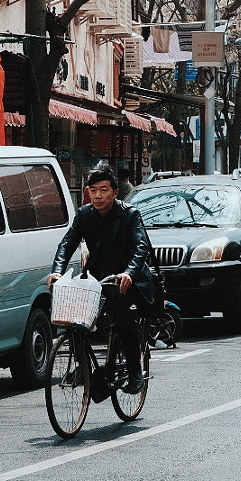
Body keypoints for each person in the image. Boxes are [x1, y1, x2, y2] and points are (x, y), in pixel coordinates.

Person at [48, 167, 153, 396]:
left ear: (115, 192)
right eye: (93, 190)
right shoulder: (85, 214)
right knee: (74, 316)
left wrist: (129, 273)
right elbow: (66, 245)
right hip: (96, 279)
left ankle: (135, 371)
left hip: (127, 280)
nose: (98, 196)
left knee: (123, 315)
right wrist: (57, 272)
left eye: (103, 190)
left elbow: (140, 248)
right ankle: (84, 365)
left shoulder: (130, 214)